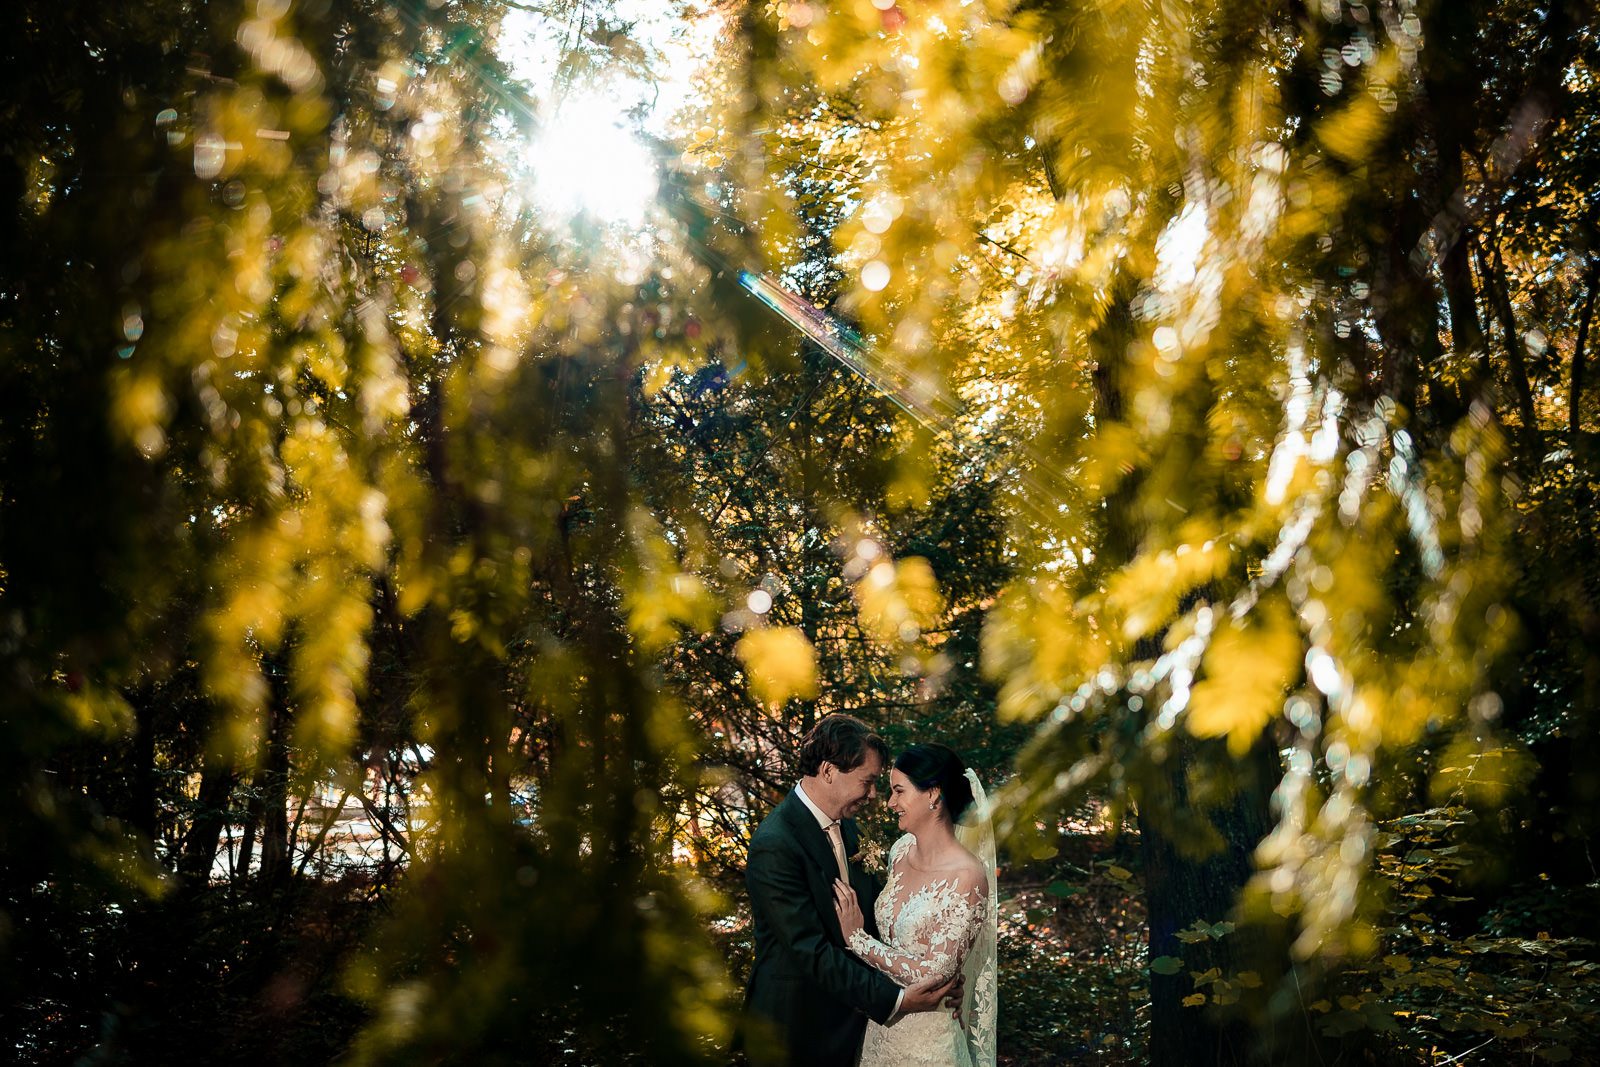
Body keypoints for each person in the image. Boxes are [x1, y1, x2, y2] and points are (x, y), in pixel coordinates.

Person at [743, 715, 962, 1067]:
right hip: (794, 1030)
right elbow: (810, 950)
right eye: (868, 781)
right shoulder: (776, 843)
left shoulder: (848, 829)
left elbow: (878, 919)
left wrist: (932, 977)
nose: (874, 794)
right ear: (829, 771)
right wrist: (899, 999)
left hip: (849, 1024)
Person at [831, 742, 998, 1067]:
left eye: (899, 791)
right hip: (880, 1031)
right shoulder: (900, 851)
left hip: (929, 1047)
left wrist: (858, 940)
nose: (891, 802)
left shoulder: (968, 877)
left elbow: (935, 972)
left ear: (933, 794)